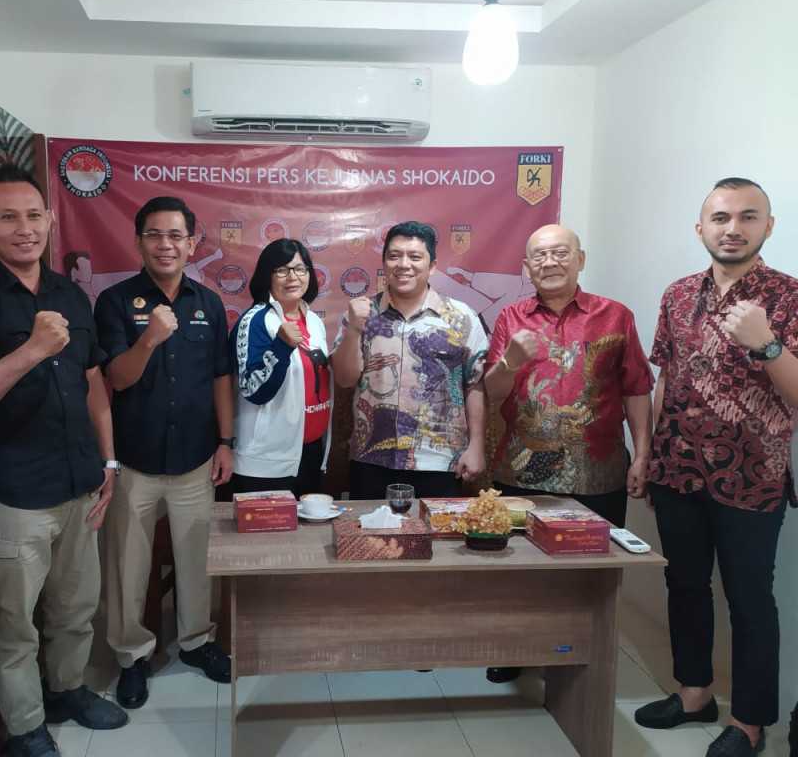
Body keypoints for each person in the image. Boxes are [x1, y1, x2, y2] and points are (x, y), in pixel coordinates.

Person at [0, 164, 126, 757]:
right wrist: (33, 350)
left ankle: (66, 691)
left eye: (33, 216)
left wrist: (109, 463)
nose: (24, 228)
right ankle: (24, 727)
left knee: (76, 608)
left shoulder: (70, 294)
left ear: (49, 220)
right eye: (8, 217)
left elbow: (93, 382)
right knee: (15, 622)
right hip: (13, 495)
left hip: (80, 484)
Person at [634, 178, 798, 757]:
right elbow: (666, 377)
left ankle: (750, 723)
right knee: (685, 585)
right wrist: (648, 455)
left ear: (767, 227)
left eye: (748, 217)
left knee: (750, 601)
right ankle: (694, 694)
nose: (733, 229)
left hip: (752, 478)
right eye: (721, 217)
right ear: (700, 227)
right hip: (676, 471)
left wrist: (768, 344)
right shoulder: (678, 294)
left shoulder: (789, 296)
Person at [482, 223, 654, 684]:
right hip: (522, 472)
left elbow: (637, 389)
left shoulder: (616, 316)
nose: (549, 262)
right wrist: (511, 360)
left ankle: (579, 658)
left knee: (589, 574)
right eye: (539, 256)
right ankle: (516, 648)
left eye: (560, 252)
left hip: (598, 472)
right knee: (519, 571)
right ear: (526, 268)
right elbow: (492, 391)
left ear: (580, 259)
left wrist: (642, 454)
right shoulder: (510, 318)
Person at [94, 196, 233, 711]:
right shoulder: (114, 302)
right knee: (128, 565)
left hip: (196, 457)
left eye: (176, 235)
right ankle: (132, 655)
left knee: (197, 560)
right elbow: (116, 378)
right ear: (139, 242)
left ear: (191, 243)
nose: (165, 245)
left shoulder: (208, 303)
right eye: (154, 234)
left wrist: (226, 442)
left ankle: (195, 640)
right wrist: (149, 339)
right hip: (135, 459)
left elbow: (220, 378)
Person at [331, 220, 488, 499]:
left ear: (432, 266)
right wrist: (354, 329)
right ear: (384, 263)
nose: (404, 264)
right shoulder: (360, 315)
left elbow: (474, 384)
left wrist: (476, 446)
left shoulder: (462, 318)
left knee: (436, 529)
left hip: (440, 461)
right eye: (394, 256)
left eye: (415, 256)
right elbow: (344, 379)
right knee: (370, 528)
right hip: (372, 458)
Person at [231, 238, 331, 498]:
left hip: (309, 454)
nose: (292, 277)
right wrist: (281, 347)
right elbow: (253, 390)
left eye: (299, 268)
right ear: (267, 275)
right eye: (282, 269)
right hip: (266, 463)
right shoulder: (255, 321)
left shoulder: (313, 320)